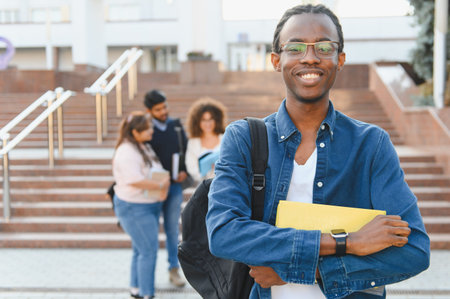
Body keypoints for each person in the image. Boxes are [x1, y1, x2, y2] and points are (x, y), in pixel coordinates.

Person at [206, 4, 430, 299]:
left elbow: (414, 250)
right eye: (295, 47)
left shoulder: (371, 144)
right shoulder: (245, 139)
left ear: (340, 59)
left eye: (324, 47)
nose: (310, 57)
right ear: (276, 60)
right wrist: (346, 242)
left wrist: (302, 269)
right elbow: (223, 232)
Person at [112, 111, 171, 299]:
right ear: (135, 132)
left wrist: (164, 184)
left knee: (140, 249)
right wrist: (161, 185)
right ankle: (147, 293)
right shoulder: (126, 152)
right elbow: (134, 180)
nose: (151, 131)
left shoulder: (141, 146)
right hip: (134, 207)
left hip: (147, 204)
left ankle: (136, 289)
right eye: (147, 129)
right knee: (148, 250)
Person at [144, 89, 187, 288]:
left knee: (172, 230)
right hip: (153, 187)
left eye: (165, 107)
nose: (163, 112)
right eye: (158, 109)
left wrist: (184, 171)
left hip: (174, 186)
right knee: (150, 231)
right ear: (149, 110)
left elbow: (185, 150)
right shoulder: (145, 129)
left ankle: (173, 269)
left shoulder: (176, 126)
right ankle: (146, 274)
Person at [185, 97, 227, 183]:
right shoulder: (193, 142)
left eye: (211, 119)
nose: (208, 124)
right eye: (203, 120)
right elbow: (191, 167)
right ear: (197, 122)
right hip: (203, 184)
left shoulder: (225, 138)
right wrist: (206, 176)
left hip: (224, 182)